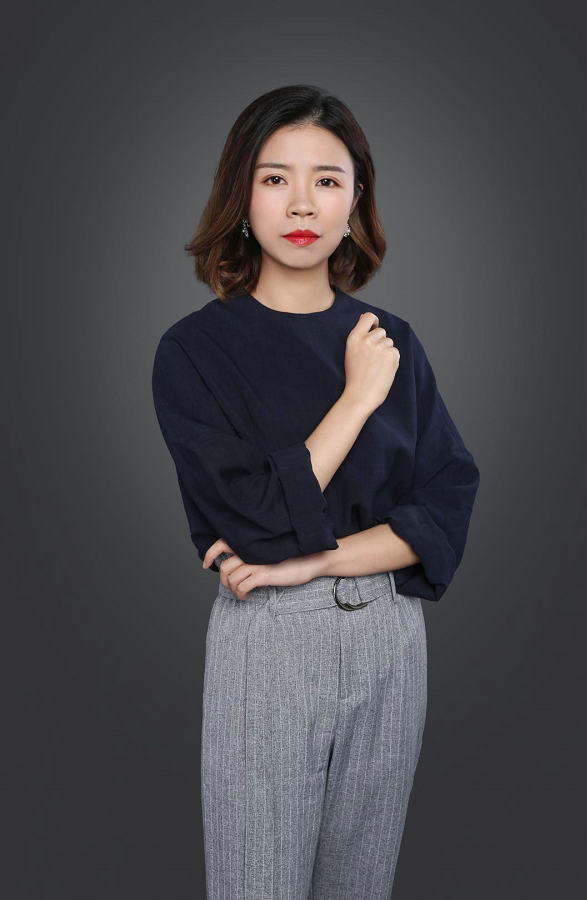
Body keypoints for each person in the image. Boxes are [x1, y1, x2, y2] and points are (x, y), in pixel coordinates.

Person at [152, 84, 480, 900]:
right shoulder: (195, 352)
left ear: (354, 200)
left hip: (389, 641)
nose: (302, 202)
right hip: (269, 643)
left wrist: (316, 561)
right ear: (241, 196)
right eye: (276, 178)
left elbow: (447, 503)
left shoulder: (393, 340)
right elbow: (256, 524)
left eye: (327, 180)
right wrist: (358, 398)